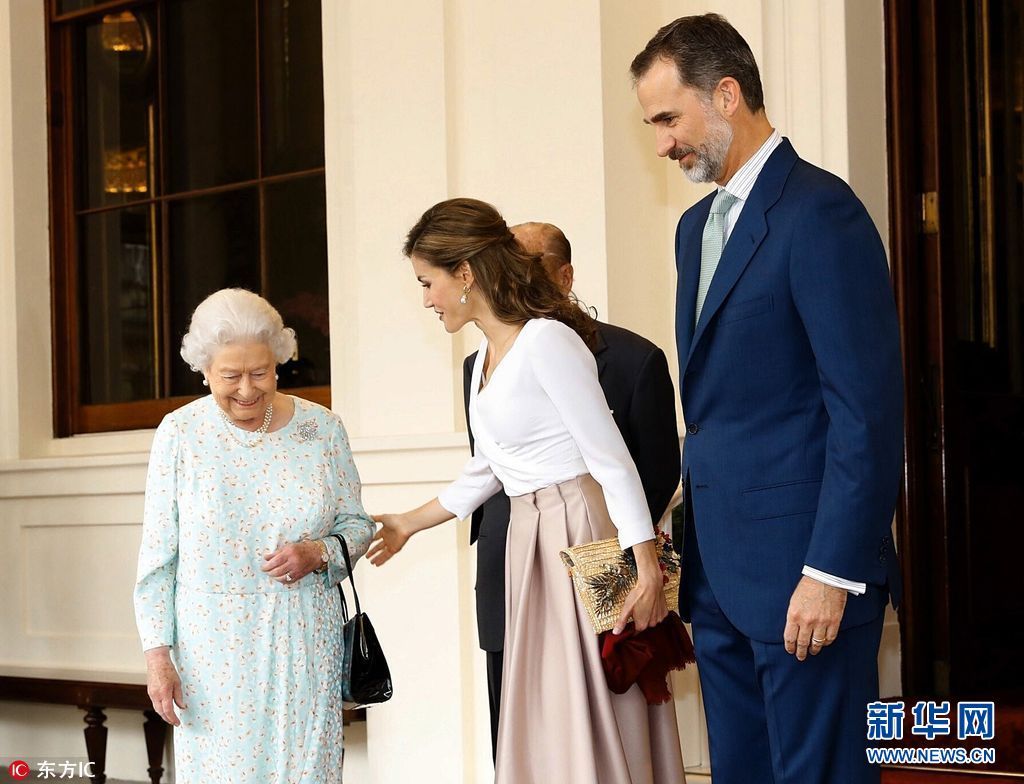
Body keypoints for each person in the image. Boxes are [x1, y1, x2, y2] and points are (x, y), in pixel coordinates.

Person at [630, 14, 904, 784]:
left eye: (667, 119)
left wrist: (834, 571)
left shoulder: (821, 211)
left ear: (726, 93)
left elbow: (865, 412)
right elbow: (722, 408)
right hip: (719, 580)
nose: (661, 143)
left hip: (805, 581)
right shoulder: (693, 229)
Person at [369, 198, 685, 783]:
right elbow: (489, 469)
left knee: (598, 700)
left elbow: (611, 459)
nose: (426, 299)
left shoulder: (546, 341)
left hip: (579, 529)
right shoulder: (482, 359)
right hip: (529, 536)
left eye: (428, 282)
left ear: (465, 273)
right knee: (547, 705)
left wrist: (646, 570)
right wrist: (409, 521)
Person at [133, 288, 375, 784]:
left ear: (280, 362)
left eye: (260, 373)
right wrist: (158, 657)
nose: (247, 389)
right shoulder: (180, 434)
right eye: (230, 376)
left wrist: (318, 552)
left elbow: (357, 526)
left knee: (305, 770)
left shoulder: (322, 429)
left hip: (305, 638)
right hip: (213, 651)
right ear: (204, 371)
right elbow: (158, 558)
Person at [462, 220, 680, 759]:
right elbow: (490, 464)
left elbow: (650, 471)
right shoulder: (477, 361)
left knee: (609, 732)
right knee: (519, 735)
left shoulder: (635, 360)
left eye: (531, 267)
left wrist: (625, 559)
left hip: (596, 565)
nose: (515, 279)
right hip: (509, 566)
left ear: (565, 277)